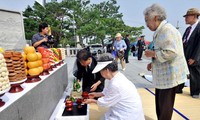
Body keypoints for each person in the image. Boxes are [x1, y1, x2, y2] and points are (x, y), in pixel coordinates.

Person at [143, 4, 189, 120]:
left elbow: (172, 52)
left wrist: (153, 54)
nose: (146, 24)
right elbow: (162, 50)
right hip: (164, 76)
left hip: (170, 76)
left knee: (165, 107)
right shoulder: (161, 29)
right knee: (161, 104)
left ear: (155, 18)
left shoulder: (167, 30)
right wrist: (153, 61)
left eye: (147, 20)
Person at [83, 53, 145, 120]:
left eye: (101, 71)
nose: (100, 73)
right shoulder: (117, 77)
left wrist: (92, 100)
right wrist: (96, 95)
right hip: (128, 112)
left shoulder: (116, 84)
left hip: (126, 116)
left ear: (107, 70)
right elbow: (108, 91)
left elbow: (105, 103)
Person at [176, 8, 200, 98]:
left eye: (187, 17)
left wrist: (195, 58)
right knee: (182, 72)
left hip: (194, 56)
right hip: (185, 55)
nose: (185, 19)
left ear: (194, 16)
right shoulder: (187, 29)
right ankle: (178, 88)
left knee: (195, 74)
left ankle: (195, 92)